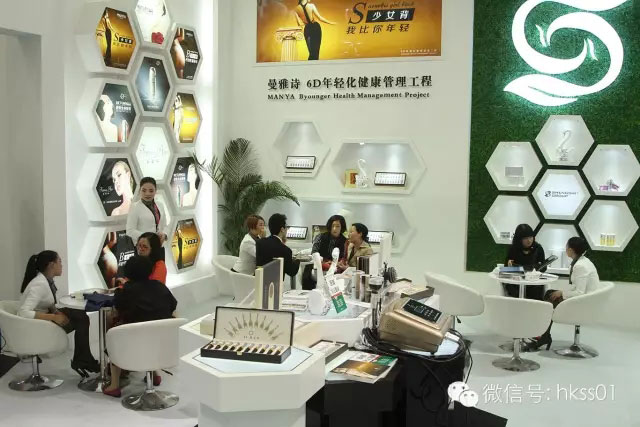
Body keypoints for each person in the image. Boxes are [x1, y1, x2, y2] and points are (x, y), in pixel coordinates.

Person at [103, 256, 177, 398]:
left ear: (128, 272)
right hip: (162, 340)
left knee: (115, 335)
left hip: (134, 340)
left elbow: (117, 311)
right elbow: (172, 307)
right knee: (151, 330)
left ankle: (114, 385)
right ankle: (154, 373)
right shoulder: (161, 287)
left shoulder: (125, 292)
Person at [18, 251, 99, 377]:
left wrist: (56, 312)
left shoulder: (46, 280)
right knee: (81, 319)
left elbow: (46, 302)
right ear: (51, 265)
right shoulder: (39, 284)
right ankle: (82, 360)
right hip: (35, 327)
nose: (62, 265)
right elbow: (23, 313)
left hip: (43, 320)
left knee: (80, 316)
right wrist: (54, 317)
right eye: (59, 262)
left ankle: (83, 359)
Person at [524, 237, 600, 352]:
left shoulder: (580, 266)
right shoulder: (583, 261)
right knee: (550, 294)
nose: (565, 249)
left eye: (566, 247)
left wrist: (562, 293)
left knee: (549, 301)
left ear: (570, 250)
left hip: (584, 303)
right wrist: (561, 292)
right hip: (586, 299)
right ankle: (544, 335)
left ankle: (543, 336)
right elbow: (577, 288)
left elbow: (580, 292)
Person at [504, 224, 547, 300]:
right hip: (516, 283)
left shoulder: (538, 248)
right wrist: (511, 267)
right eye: (525, 238)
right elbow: (506, 268)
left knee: (536, 292)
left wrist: (520, 268)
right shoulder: (513, 249)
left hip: (534, 283)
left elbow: (543, 268)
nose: (529, 240)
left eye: (531, 237)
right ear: (519, 239)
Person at [126, 177, 169, 250]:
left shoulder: (160, 205)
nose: (147, 194)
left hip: (159, 246)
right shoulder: (134, 207)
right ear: (140, 191)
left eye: (151, 191)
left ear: (155, 191)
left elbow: (164, 225)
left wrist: (164, 234)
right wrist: (149, 238)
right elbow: (130, 230)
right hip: (143, 248)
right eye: (144, 190)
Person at [256, 213, 300, 279]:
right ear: (282, 229)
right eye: (286, 227)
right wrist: (298, 259)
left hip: (260, 281)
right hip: (276, 283)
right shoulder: (286, 250)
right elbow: (292, 272)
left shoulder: (260, 243)